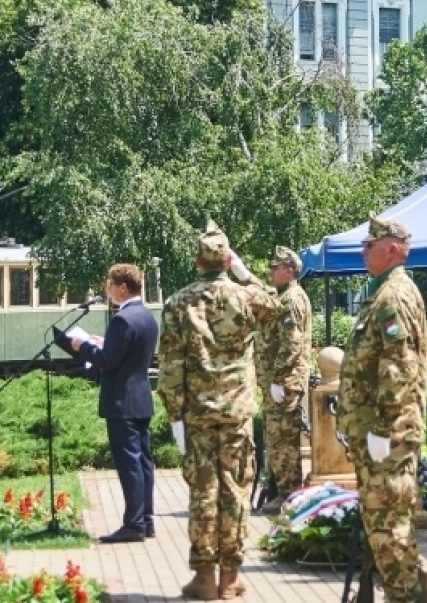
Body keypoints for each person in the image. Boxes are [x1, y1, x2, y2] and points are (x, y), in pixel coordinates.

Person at [158, 221, 278, 600]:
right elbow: (276, 303)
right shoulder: (246, 298)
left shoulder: (179, 302)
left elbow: (170, 368)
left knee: (203, 492)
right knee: (235, 490)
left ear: (197, 262)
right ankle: (231, 577)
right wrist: (244, 273)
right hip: (237, 413)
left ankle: (204, 577)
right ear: (227, 260)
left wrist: (175, 416)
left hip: (198, 415)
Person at [337, 217, 427, 603]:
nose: (364, 251)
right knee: (382, 524)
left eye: (370, 245)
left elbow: (399, 368)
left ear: (392, 249)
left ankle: (402, 597)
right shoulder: (382, 292)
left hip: (388, 436)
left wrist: (381, 428)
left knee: (390, 527)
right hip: (379, 434)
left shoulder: (393, 296)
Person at [65, 263, 159, 544]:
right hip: (141, 398)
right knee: (143, 463)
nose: (107, 290)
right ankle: (146, 521)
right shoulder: (146, 316)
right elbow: (128, 352)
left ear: (122, 288)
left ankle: (133, 524)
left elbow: (108, 361)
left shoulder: (121, 319)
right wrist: (105, 341)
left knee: (130, 464)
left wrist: (84, 346)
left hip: (121, 402)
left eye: (109, 285)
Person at [256, 246, 312, 515]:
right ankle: (282, 491)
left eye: (275, 267)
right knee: (277, 441)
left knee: (283, 443)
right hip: (279, 382)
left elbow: (292, 343)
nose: (271, 271)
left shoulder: (292, 299)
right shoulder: (282, 296)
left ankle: (289, 495)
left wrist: (278, 378)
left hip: (285, 382)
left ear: (289, 271)